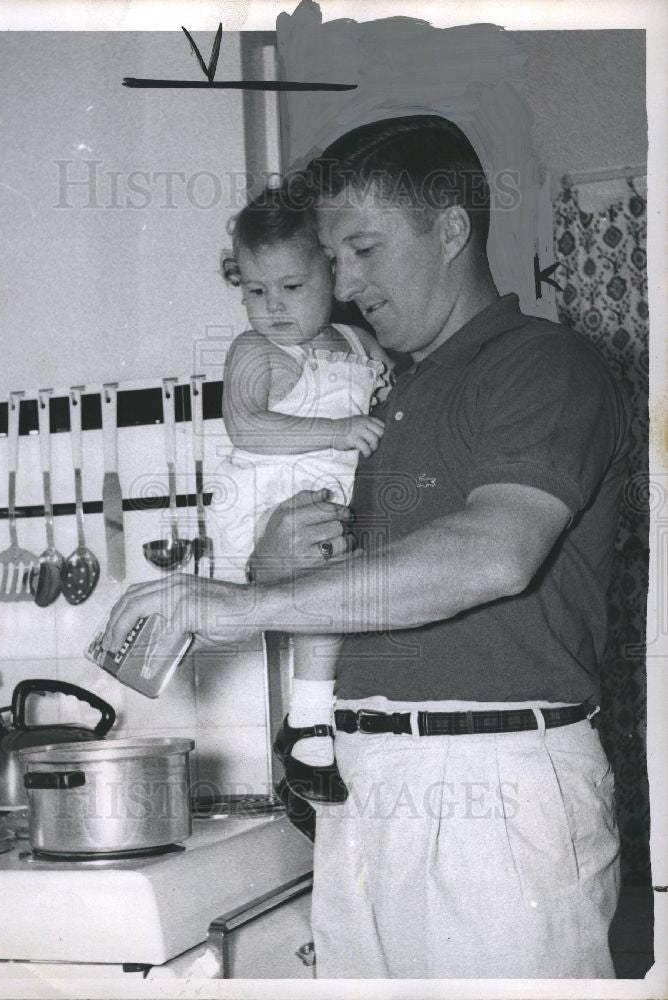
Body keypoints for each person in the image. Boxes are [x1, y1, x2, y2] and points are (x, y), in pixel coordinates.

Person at [105, 115, 630, 979]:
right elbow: (344, 582)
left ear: (450, 229)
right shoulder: (382, 392)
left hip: (494, 783)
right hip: (360, 778)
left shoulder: (543, 362)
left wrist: (253, 602)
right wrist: (272, 564)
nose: (344, 282)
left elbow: (492, 553)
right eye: (334, 260)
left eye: (364, 250)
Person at [209, 187, 391, 799]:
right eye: (255, 291)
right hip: (262, 503)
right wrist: (340, 429)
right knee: (327, 589)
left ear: (331, 272)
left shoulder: (359, 344)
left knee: (338, 595)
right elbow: (247, 427)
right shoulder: (257, 351)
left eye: (291, 287)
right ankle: (309, 723)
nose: (273, 307)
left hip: (321, 501)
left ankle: (309, 724)